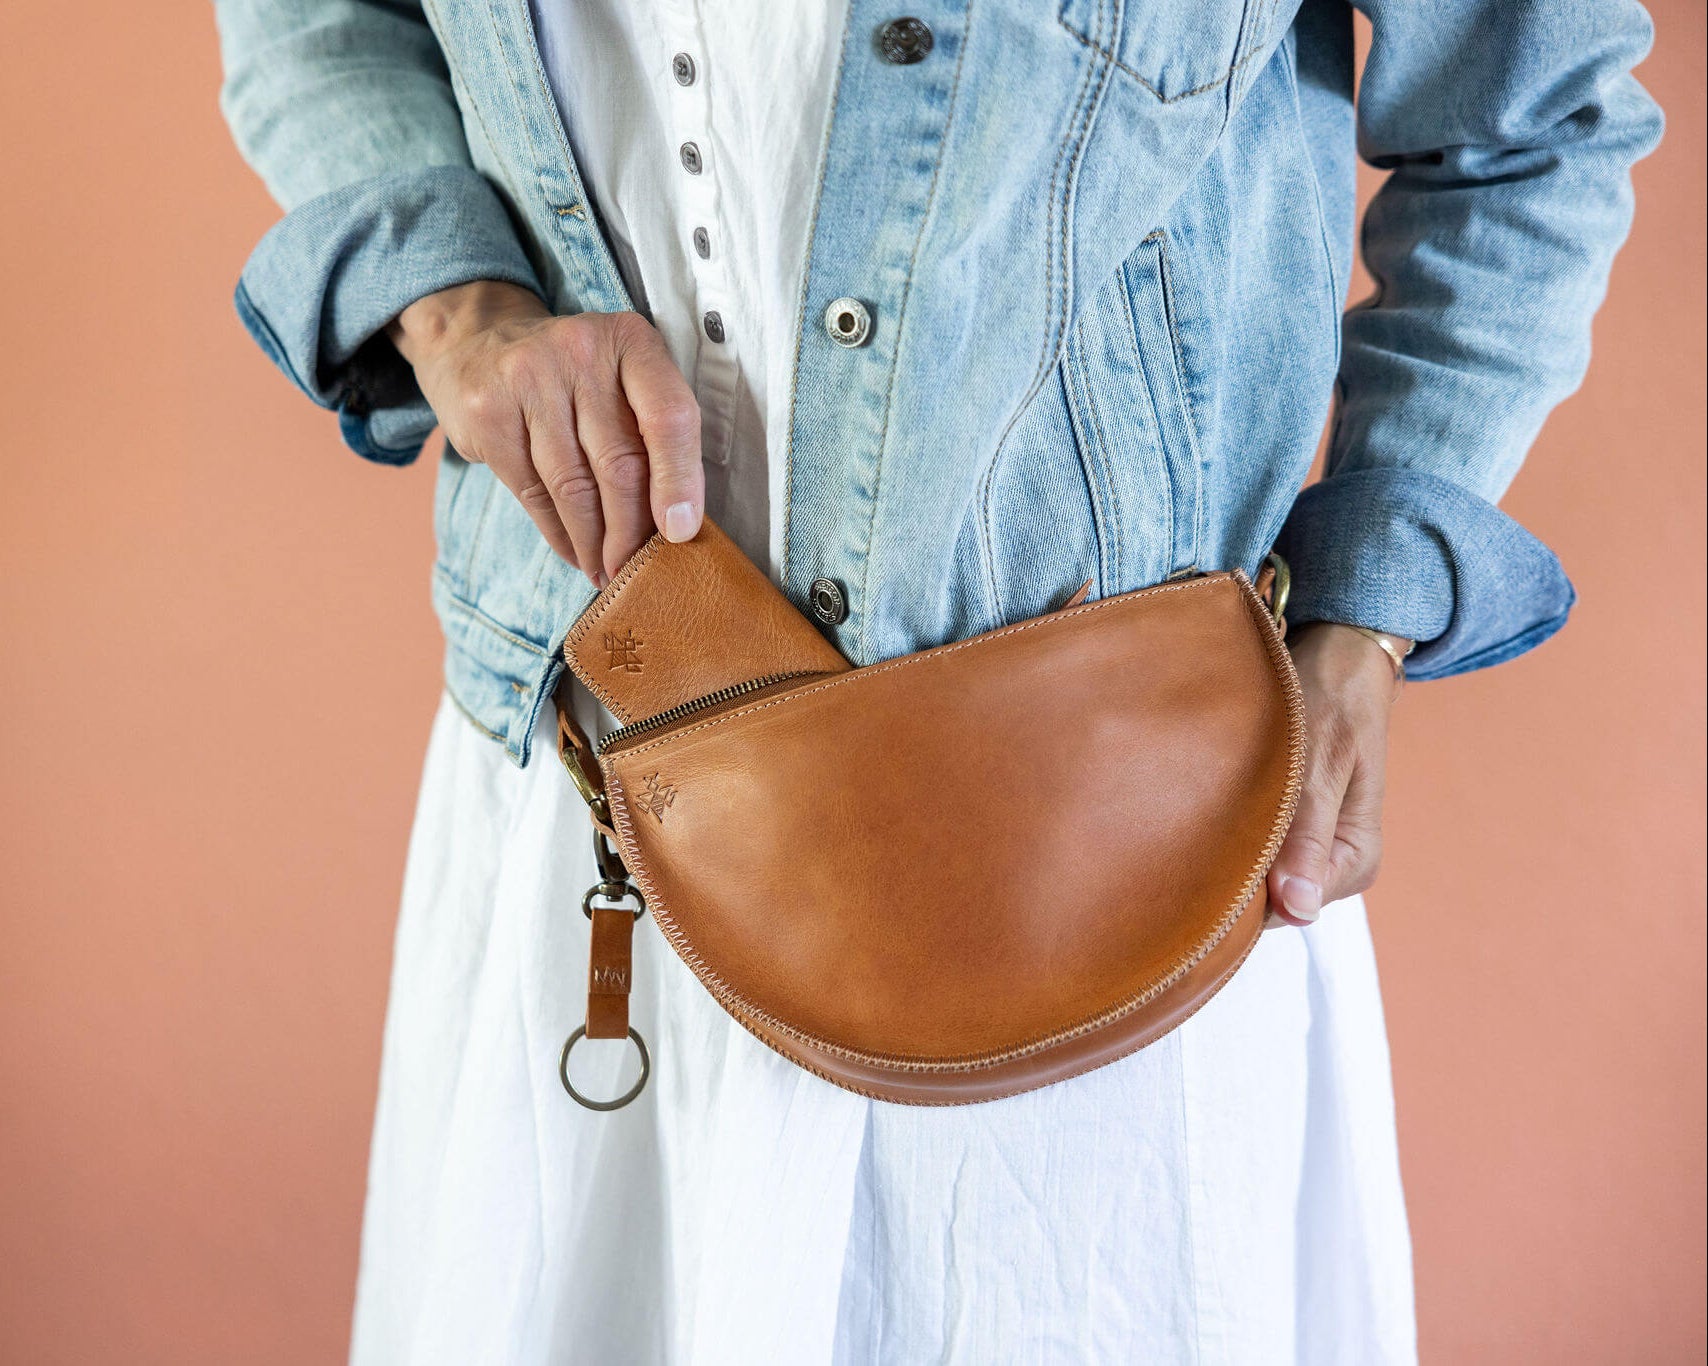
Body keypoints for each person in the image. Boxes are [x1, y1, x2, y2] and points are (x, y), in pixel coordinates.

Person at [214, 1, 1661, 1360]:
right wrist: (460, 310)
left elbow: (1535, 118)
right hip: (599, 793)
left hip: (1114, 859)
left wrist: (1367, 613)